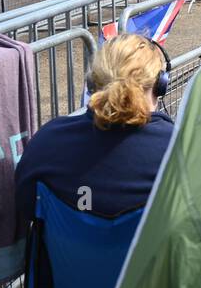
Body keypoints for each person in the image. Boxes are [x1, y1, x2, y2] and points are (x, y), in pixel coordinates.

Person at [14, 34, 175, 232]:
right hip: (150, 253)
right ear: (160, 85)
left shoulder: (47, 141)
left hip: (65, 253)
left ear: (92, 83)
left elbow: (26, 205)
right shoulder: (177, 147)